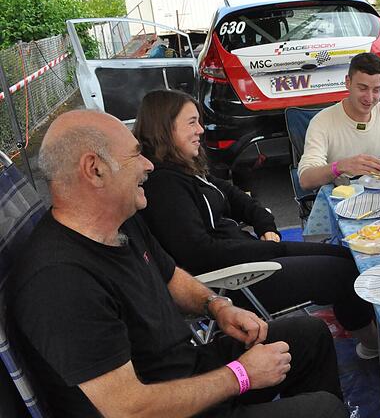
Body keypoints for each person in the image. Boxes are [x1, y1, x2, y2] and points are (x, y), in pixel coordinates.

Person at [7, 110, 347, 417]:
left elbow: (169, 277)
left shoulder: (121, 221)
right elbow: (129, 409)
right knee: (324, 410)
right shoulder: (59, 284)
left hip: (189, 369)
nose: (148, 165)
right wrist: (241, 376)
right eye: (135, 154)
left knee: (309, 335)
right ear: (95, 169)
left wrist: (216, 306)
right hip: (159, 409)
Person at [134, 90, 379, 360]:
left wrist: (264, 224)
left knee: (348, 256)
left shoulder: (184, 167)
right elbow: (200, 254)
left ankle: (367, 329)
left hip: (250, 255)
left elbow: (230, 192)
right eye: (191, 122)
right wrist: (265, 250)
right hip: (236, 281)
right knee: (345, 273)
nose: (201, 130)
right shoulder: (165, 187)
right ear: (165, 128)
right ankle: (372, 345)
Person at [298, 52, 380, 189]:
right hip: (340, 199)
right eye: (362, 88)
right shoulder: (322, 122)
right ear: (348, 82)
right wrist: (339, 167)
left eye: (376, 90)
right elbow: (305, 180)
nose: (369, 98)